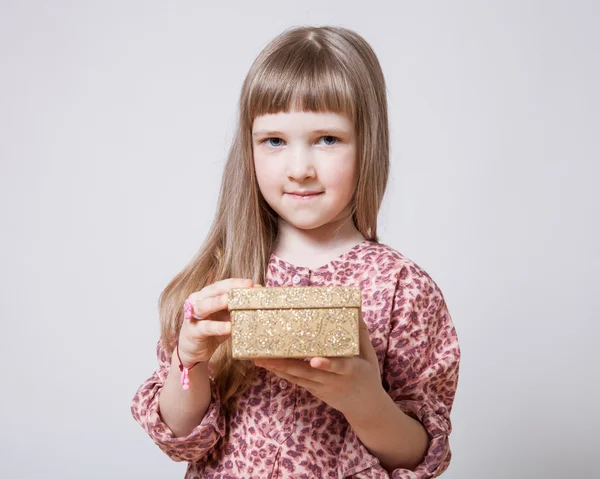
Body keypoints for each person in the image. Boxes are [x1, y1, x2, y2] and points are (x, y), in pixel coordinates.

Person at [131, 25, 460, 479]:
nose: (300, 169)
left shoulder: (403, 289)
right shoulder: (222, 275)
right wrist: (190, 359)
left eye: (327, 139)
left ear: (369, 144)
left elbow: (421, 458)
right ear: (248, 150)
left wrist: (365, 402)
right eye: (274, 141)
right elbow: (180, 437)